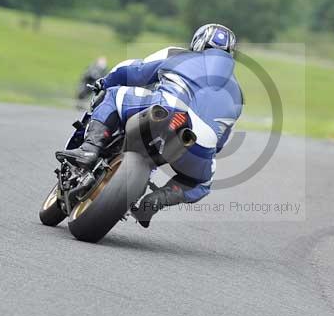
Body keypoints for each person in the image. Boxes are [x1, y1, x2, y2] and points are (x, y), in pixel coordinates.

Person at [57, 23, 243, 227]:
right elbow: (221, 143)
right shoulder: (237, 94)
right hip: (200, 143)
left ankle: (90, 149)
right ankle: (153, 203)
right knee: (201, 183)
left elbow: (136, 73)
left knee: (114, 95)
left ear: (198, 42)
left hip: (169, 111)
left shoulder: (181, 58)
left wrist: (106, 82)